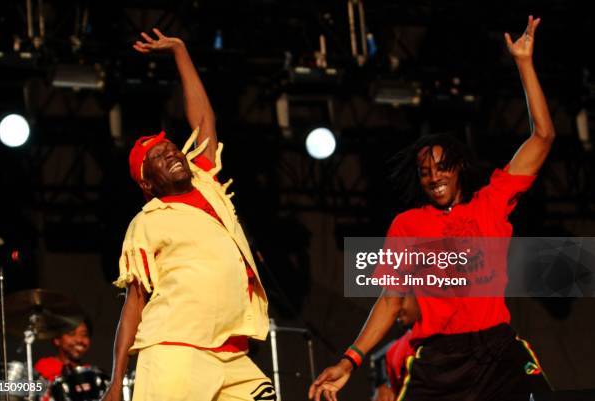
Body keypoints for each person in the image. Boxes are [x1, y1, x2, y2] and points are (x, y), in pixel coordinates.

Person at [310, 16, 553, 401]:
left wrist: (523, 62)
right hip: (440, 361)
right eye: (424, 172)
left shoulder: (490, 203)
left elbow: (543, 137)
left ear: (458, 169)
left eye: (441, 167)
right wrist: (348, 361)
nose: (433, 176)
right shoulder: (408, 226)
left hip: (498, 352)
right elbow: (390, 301)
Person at [101, 28, 275, 401]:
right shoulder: (148, 221)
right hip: (175, 349)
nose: (172, 154)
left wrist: (180, 49)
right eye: (158, 158)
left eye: (171, 148)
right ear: (148, 184)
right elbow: (135, 302)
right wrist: (117, 381)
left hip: (232, 353)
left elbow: (203, 122)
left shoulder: (207, 183)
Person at [372, 297, 418, 401]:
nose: (396, 311)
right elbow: (378, 358)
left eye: (401, 299)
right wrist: (383, 385)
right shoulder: (400, 345)